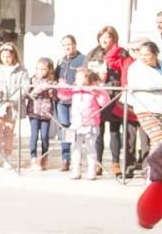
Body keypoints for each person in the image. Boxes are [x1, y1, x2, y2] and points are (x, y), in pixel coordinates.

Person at [86, 25, 136, 177]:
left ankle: (115, 162)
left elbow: (127, 70)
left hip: (115, 93)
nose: (104, 40)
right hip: (98, 94)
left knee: (115, 131)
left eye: (108, 37)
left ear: (114, 38)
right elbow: (85, 71)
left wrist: (122, 89)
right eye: (102, 37)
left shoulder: (121, 53)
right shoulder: (94, 53)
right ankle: (98, 163)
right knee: (98, 131)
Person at [57, 68, 109, 180]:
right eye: (76, 77)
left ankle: (91, 170)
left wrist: (99, 92)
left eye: (80, 77)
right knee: (75, 147)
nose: (77, 80)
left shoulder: (93, 89)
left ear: (87, 78)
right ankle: (75, 169)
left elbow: (104, 102)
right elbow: (63, 96)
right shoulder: (75, 89)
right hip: (76, 123)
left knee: (91, 148)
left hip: (90, 123)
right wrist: (62, 86)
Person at [0, 42, 28, 168]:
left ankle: (8, 155)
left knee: (9, 131)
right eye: (3, 56)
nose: (6, 59)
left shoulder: (21, 70)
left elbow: (25, 88)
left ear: (13, 56)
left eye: (8, 56)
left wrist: (12, 100)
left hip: (13, 104)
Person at [126, 41, 162, 170]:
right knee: (158, 141)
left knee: (156, 143)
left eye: (147, 54)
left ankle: (154, 172)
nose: (143, 57)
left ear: (156, 53)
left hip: (160, 108)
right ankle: (153, 172)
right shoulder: (135, 67)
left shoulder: (160, 64)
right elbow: (139, 84)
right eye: (141, 54)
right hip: (145, 108)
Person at [54, 35, 86, 172]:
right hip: (62, 101)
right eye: (65, 45)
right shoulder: (61, 61)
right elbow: (55, 77)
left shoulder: (82, 59)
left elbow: (85, 77)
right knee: (64, 127)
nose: (68, 47)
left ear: (75, 44)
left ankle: (76, 158)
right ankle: (65, 158)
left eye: (70, 44)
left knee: (76, 128)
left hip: (76, 99)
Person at [26, 58, 56, 171]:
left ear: (49, 70)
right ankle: (33, 157)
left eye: (43, 69)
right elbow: (28, 93)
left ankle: (44, 157)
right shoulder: (32, 80)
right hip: (33, 111)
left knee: (44, 136)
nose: (40, 71)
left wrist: (50, 90)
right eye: (38, 68)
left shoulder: (52, 81)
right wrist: (36, 91)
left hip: (46, 112)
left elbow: (54, 96)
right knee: (34, 135)